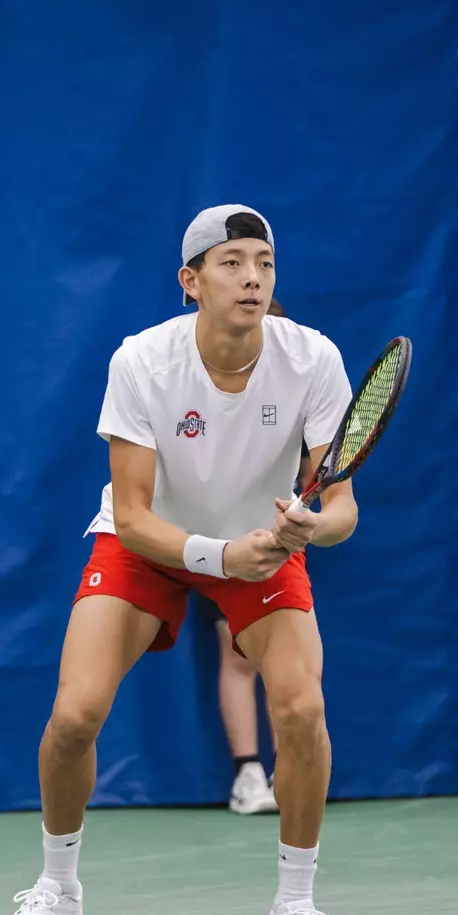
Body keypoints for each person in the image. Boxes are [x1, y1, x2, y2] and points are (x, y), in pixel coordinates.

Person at [0, 204, 358, 915]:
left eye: (263, 260)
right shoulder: (143, 361)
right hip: (152, 547)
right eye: (231, 262)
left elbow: (343, 510)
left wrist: (306, 528)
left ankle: (294, 908)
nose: (251, 275)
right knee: (75, 714)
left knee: (302, 708)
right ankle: (58, 891)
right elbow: (132, 515)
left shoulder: (314, 359)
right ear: (190, 282)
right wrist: (222, 555)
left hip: (261, 544)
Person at [203, 299, 312, 817]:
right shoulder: (201, 383)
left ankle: (288, 773)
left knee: (286, 665)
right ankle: (248, 774)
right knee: (237, 654)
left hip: (271, 535)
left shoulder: (300, 384)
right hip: (208, 537)